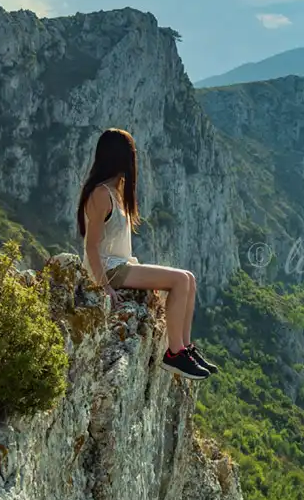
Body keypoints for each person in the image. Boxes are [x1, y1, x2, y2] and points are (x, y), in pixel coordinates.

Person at [77, 128, 217, 380]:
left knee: (188, 278)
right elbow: (91, 246)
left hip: (120, 264)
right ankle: (174, 354)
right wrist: (104, 285)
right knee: (178, 280)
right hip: (109, 268)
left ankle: (184, 348)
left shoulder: (116, 194)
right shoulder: (101, 194)